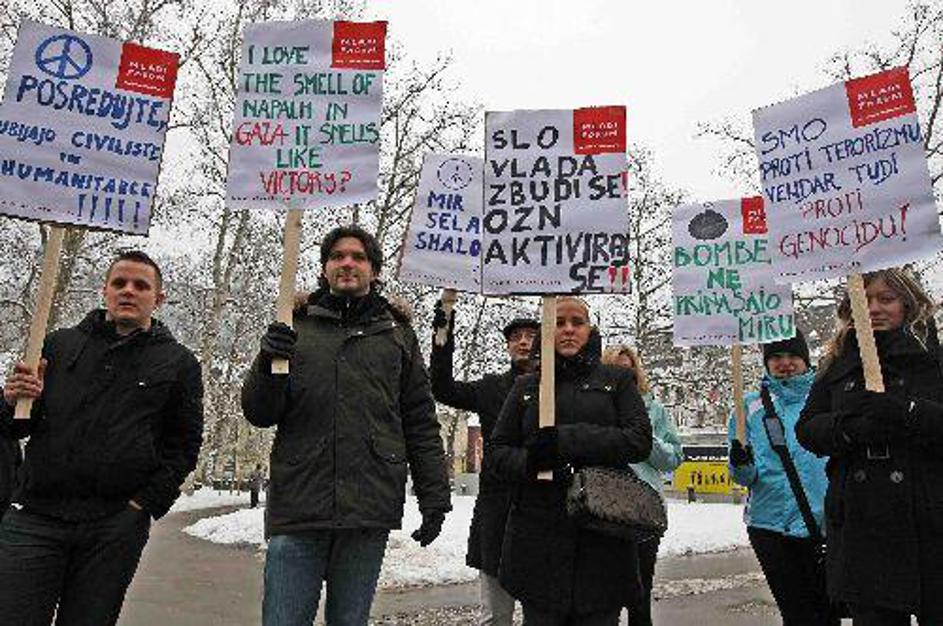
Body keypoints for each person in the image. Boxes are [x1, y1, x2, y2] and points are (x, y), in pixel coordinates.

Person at [242, 225, 451, 626]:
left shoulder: (397, 335)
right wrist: (268, 362)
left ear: (374, 270)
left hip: (366, 509)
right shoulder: (294, 326)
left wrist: (434, 498)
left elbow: (420, 422)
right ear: (324, 268)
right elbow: (260, 413)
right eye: (337, 256)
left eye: (358, 257)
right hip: (300, 505)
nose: (347, 263)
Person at [0, 250, 204, 626]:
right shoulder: (58, 346)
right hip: (36, 518)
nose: (129, 291)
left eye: (141, 285)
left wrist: (143, 505)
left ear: (158, 299)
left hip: (112, 526)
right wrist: (13, 400)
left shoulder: (178, 363)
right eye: (119, 283)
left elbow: (184, 445)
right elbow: (14, 429)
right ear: (104, 291)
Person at [487, 296, 653, 625]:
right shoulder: (526, 386)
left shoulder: (616, 382)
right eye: (558, 323)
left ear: (590, 330)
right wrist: (532, 461)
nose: (568, 330)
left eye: (577, 322)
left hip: (603, 532)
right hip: (539, 534)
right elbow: (497, 452)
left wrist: (568, 438)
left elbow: (638, 441)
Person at [796, 268, 943, 625]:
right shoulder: (838, 362)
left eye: (886, 299)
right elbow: (808, 428)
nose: (874, 308)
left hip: (928, 514)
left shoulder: (934, 359)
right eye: (864, 301)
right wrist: (849, 429)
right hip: (862, 520)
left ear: (908, 304)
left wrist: (906, 411)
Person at [430, 292, 538, 626]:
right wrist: (444, 323)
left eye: (531, 336)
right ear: (508, 346)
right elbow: (442, 387)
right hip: (498, 510)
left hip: (545, 510)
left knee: (546, 614)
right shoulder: (491, 388)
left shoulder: (560, 388)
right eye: (516, 338)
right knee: (495, 616)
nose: (523, 342)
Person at [727, 329, 836, 626]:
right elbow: (744, 478)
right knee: (796, 613)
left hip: (823, 522)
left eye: (792, 356)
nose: (785, 363)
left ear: (805, 359)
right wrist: (740, 464)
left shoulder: (826, 399)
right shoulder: (747, 408)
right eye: (776, 357)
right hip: (769, 525)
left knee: (827, 612)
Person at [601, 344, 683, 626]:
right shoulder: (594, 406)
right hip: (604, 509)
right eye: (615, 369)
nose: (623, 376)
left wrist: (646, 437)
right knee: (603, 594)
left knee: (640, 591)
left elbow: (673, 459)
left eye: (629, 369)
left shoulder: (654, 409)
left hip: (643, 511)